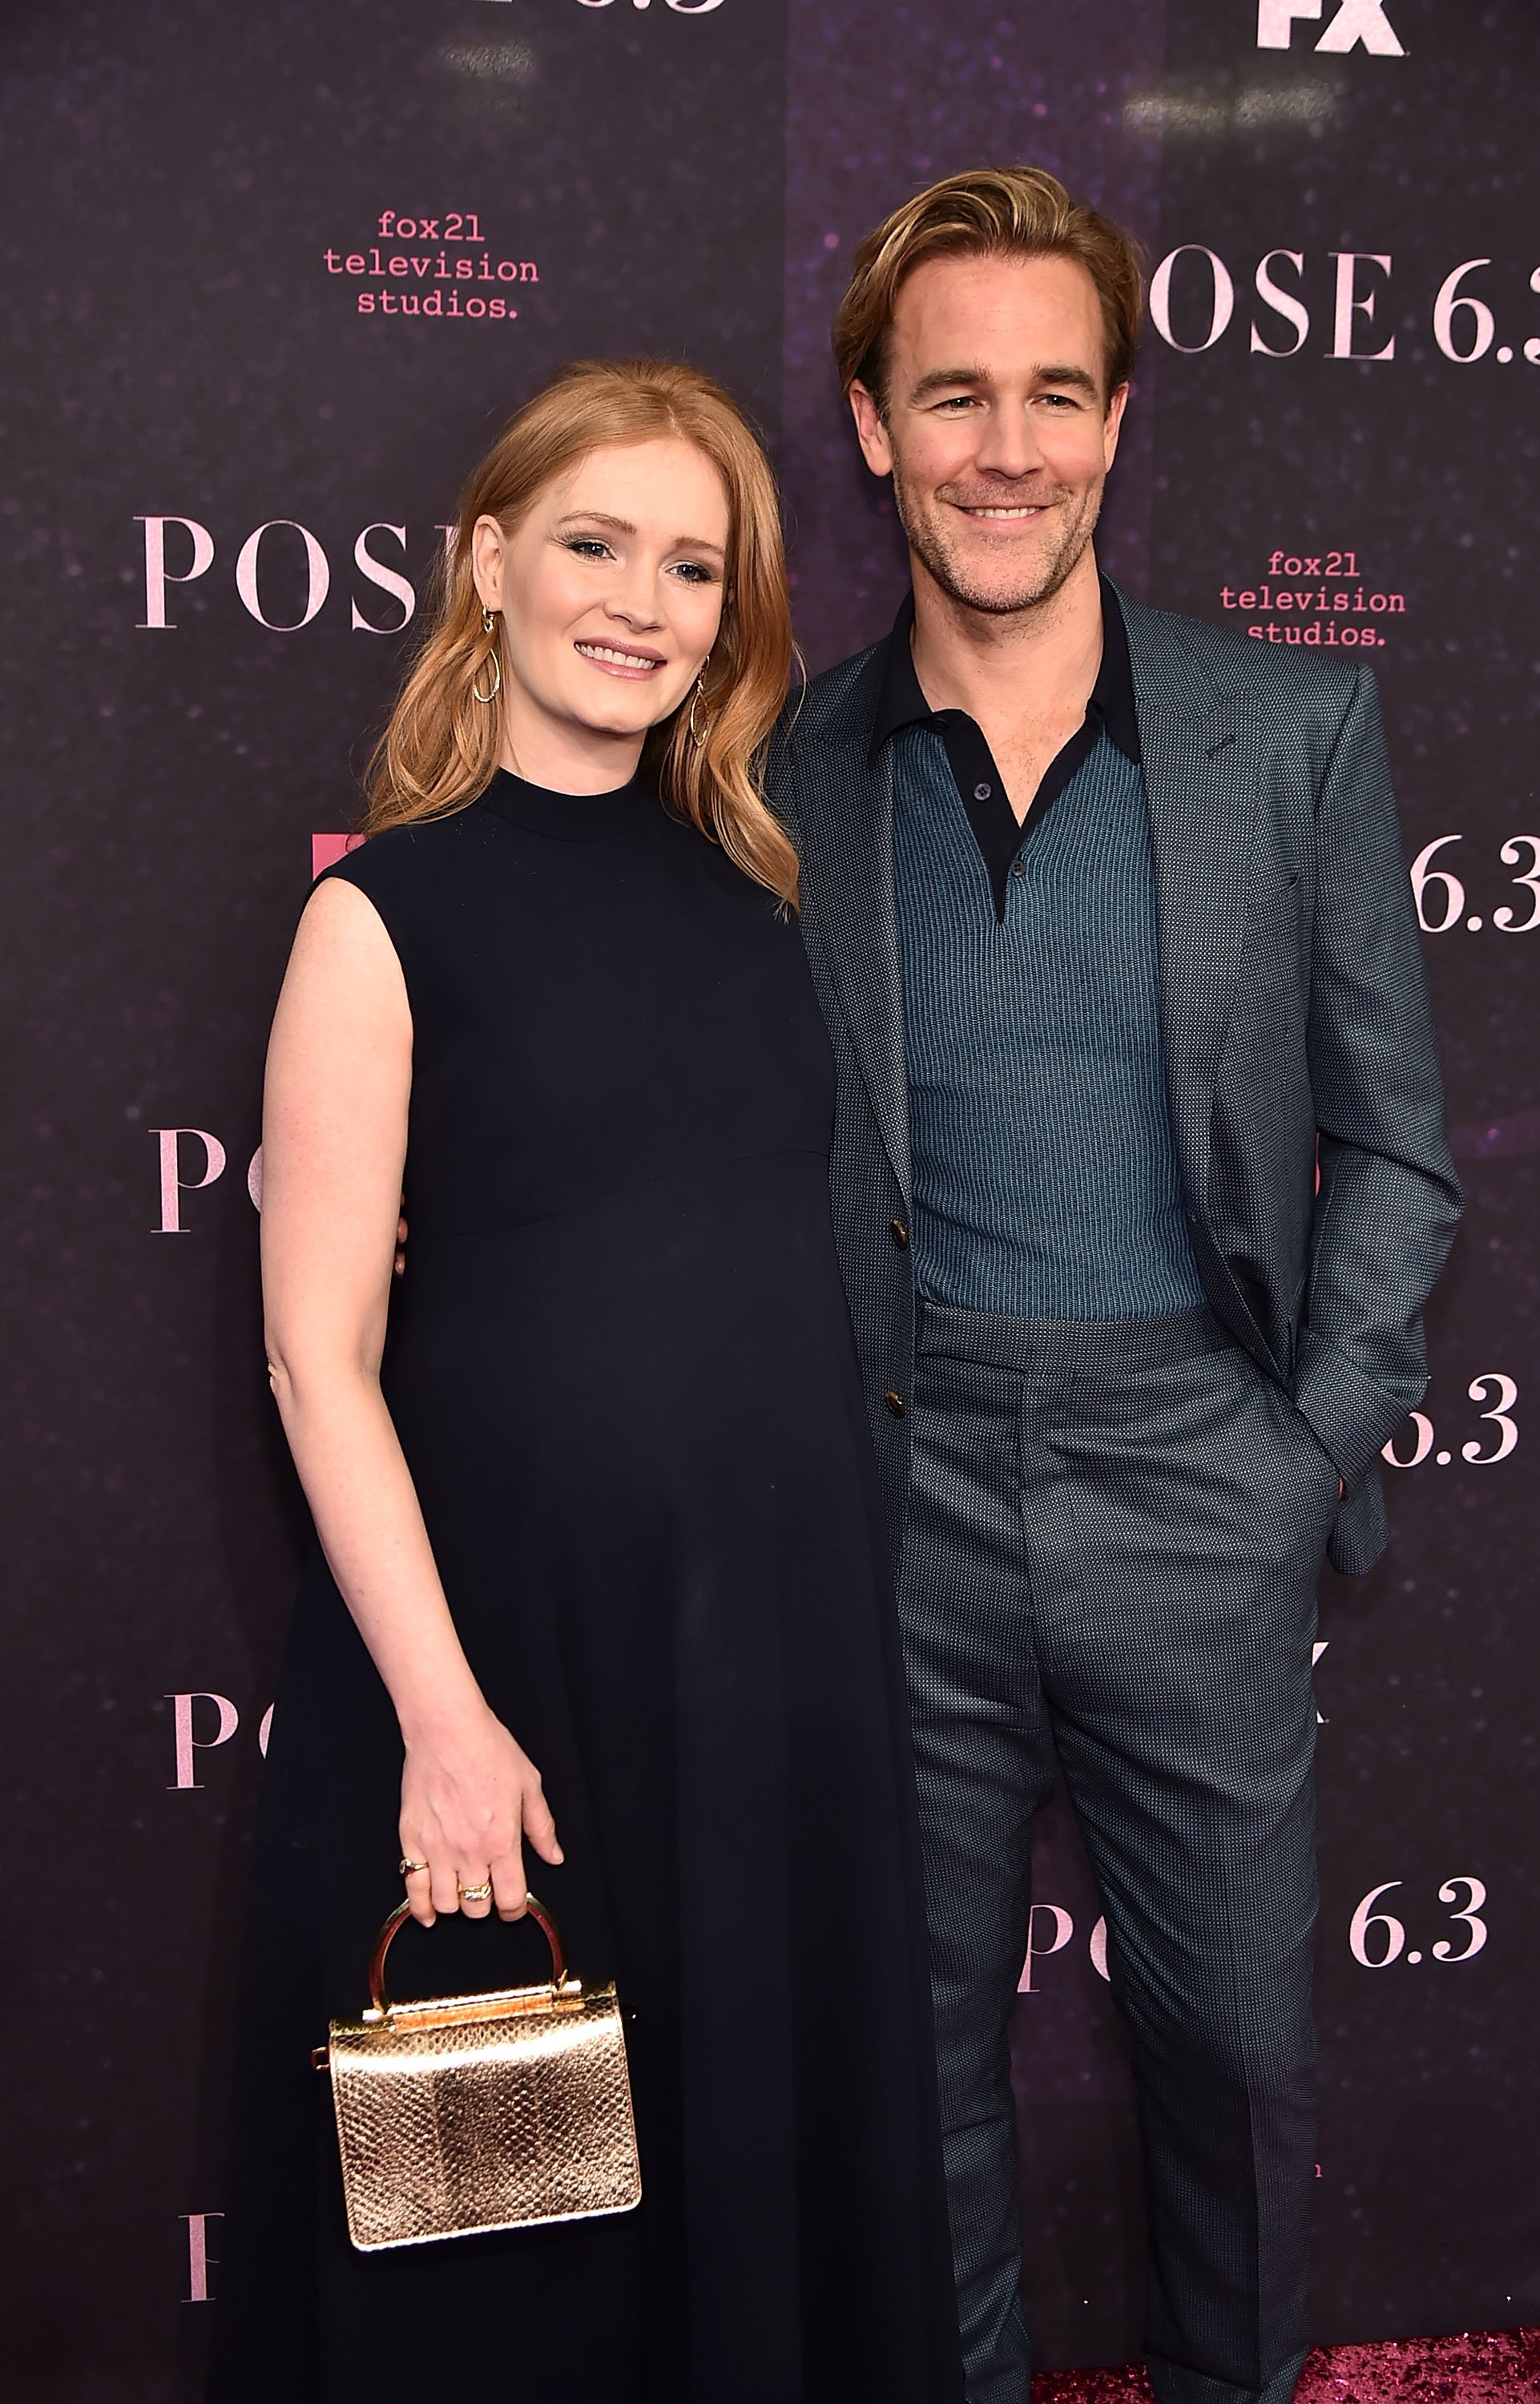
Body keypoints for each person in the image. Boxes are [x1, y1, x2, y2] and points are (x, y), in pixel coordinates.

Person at [764, 168, 1462, 2404]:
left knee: (1242, 2065)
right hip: (900, 1495)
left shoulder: (1289, 733)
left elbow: (1402, 1153)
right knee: (914, 2087)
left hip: (1195, 1469)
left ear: (1119, 418)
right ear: (869, 423)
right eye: (950, 393)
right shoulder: (774, 772)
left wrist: (1289, 1462)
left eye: (1053, 392)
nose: (1006, 445)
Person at [208, 357, 962, 2404]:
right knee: (514, 2235)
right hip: (507, 1679)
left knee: (750, 2182)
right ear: (489, 564)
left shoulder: (762, 904)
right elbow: (313, 1352)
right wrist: (445, 1726)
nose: (641, 600)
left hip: (769, 1673)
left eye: (694, 566)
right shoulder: (380, 918)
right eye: (594, 543)